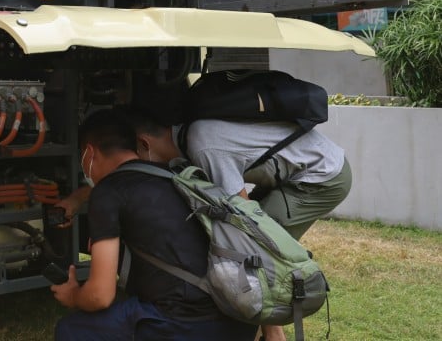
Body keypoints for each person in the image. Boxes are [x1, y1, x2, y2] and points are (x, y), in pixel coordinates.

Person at [134, 112, 352, 341]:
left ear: (144, 143)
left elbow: (244, 218)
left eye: (135, 156)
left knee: (258, 254)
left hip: (322, 176)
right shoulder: (193, 134)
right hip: (307, 168)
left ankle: (274, 333)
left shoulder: (203, 147)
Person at [52, 110, 256, 341]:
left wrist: (74, 295)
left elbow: (100, 295)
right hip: (237, 317)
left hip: (187, 325)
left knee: (72, 330)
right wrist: (77, 198)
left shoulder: (107, 192)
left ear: (89, 153)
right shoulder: (176, 176)